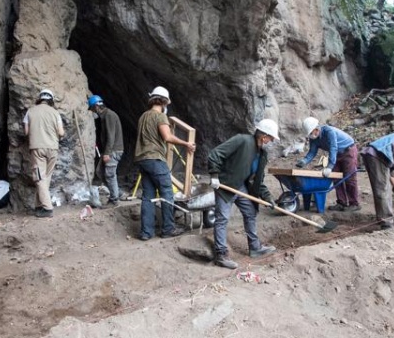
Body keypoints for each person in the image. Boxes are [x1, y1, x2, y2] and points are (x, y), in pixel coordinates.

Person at [208, 119, 280, 269]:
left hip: (240, 186)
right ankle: (221, 255)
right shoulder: (242, 140)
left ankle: (255, 248)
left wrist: (268, 198)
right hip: (225, 185)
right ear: (264, 135)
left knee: (250, 211)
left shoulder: (262, 154)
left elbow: (257, 180)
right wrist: (214, 175)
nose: (272, 140)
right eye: (271, 137)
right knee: (222, 219)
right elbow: (215, 154)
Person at [134, 86, 196, 240]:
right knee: (167, 192)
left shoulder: (143, 116)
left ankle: (146, 232)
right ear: (164, 102)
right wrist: (186, 143)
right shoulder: (160, 116)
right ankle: (168, 229)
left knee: (148, 196)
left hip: (142, 160)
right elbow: (167, 137)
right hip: (155, 158)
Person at [296, 117, 360, 212]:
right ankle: (341, 203)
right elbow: (312, 152)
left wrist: (330, 166)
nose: (310, 136)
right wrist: (304, 161)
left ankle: (354, 203)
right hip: (336, 153)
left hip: (348, 150)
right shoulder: (314, 138)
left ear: (316, 129)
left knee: (349, 177)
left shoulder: (329, 131)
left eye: (310, 133)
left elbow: (333, 148)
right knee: (336, 177)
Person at [23, 89, 65, 217]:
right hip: (53, 148)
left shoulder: (30, 111)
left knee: (40, 178)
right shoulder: (55, 113)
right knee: (45, 178)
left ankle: (47, 208)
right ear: (51, 100)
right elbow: (61, 133)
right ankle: (39, 206)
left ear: (39, 98)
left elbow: (26, 132)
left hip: (38, 148)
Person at [88, 95, 124, 207]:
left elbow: (111, 136)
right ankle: (118, 192)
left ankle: (114, 200)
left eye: (92, 109)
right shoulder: (104, 117)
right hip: (109, 150)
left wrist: (107, 153)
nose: (93, 112)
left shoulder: (109, 115)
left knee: (109, 174)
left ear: (96, 107)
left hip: (113, 150)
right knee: (100, 171)